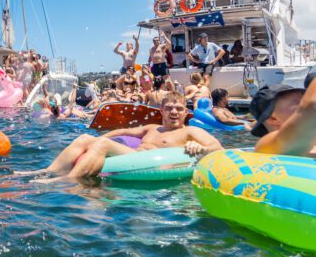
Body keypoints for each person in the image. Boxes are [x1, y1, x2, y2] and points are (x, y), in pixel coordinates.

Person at [37, 92, 222, 179]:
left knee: (102, 146)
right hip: (134, 155)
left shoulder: (189, 131)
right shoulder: (152, 128)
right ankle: (48, 171)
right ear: (162, 111)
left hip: (150, 162)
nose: (174, 112)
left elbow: (218, 148)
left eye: (179, 109)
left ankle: (68, 181)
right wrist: (100, 138)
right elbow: (124, 131)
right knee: (85, 138)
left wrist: (201, 148)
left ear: (185, 113)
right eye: (169, 108)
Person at [250, 77, 316, 157]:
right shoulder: (265, 146)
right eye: (299, 102)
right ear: (273, 119)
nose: (304, 104)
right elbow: (311, 106)